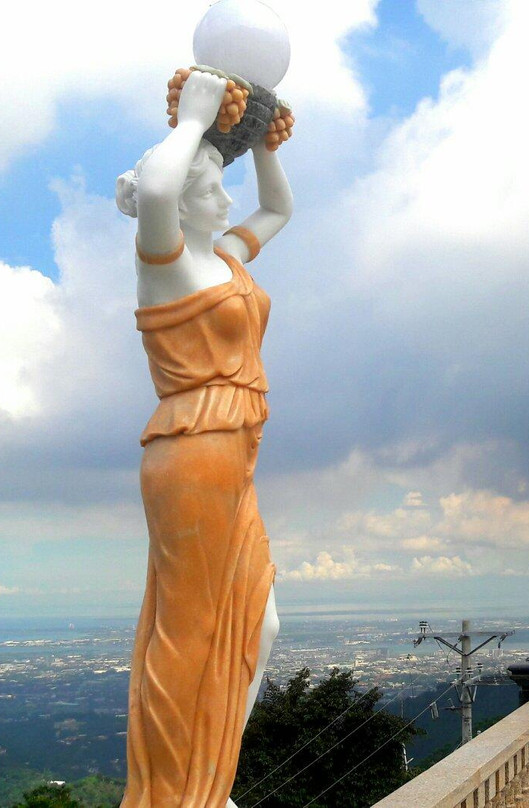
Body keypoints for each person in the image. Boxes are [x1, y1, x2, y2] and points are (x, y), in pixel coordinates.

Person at [115, 69, 292, 807]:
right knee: (186, 629)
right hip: (191, 450)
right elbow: (154, 194)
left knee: (263, 620)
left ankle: (208, 783)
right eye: (211, 185)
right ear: (185, 196)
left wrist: (264, 147)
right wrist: (191, 121)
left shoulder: (225, 258)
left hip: (234, 452)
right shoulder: (166, 266)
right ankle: (169, 796)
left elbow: (278, 208)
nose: (225, 199)